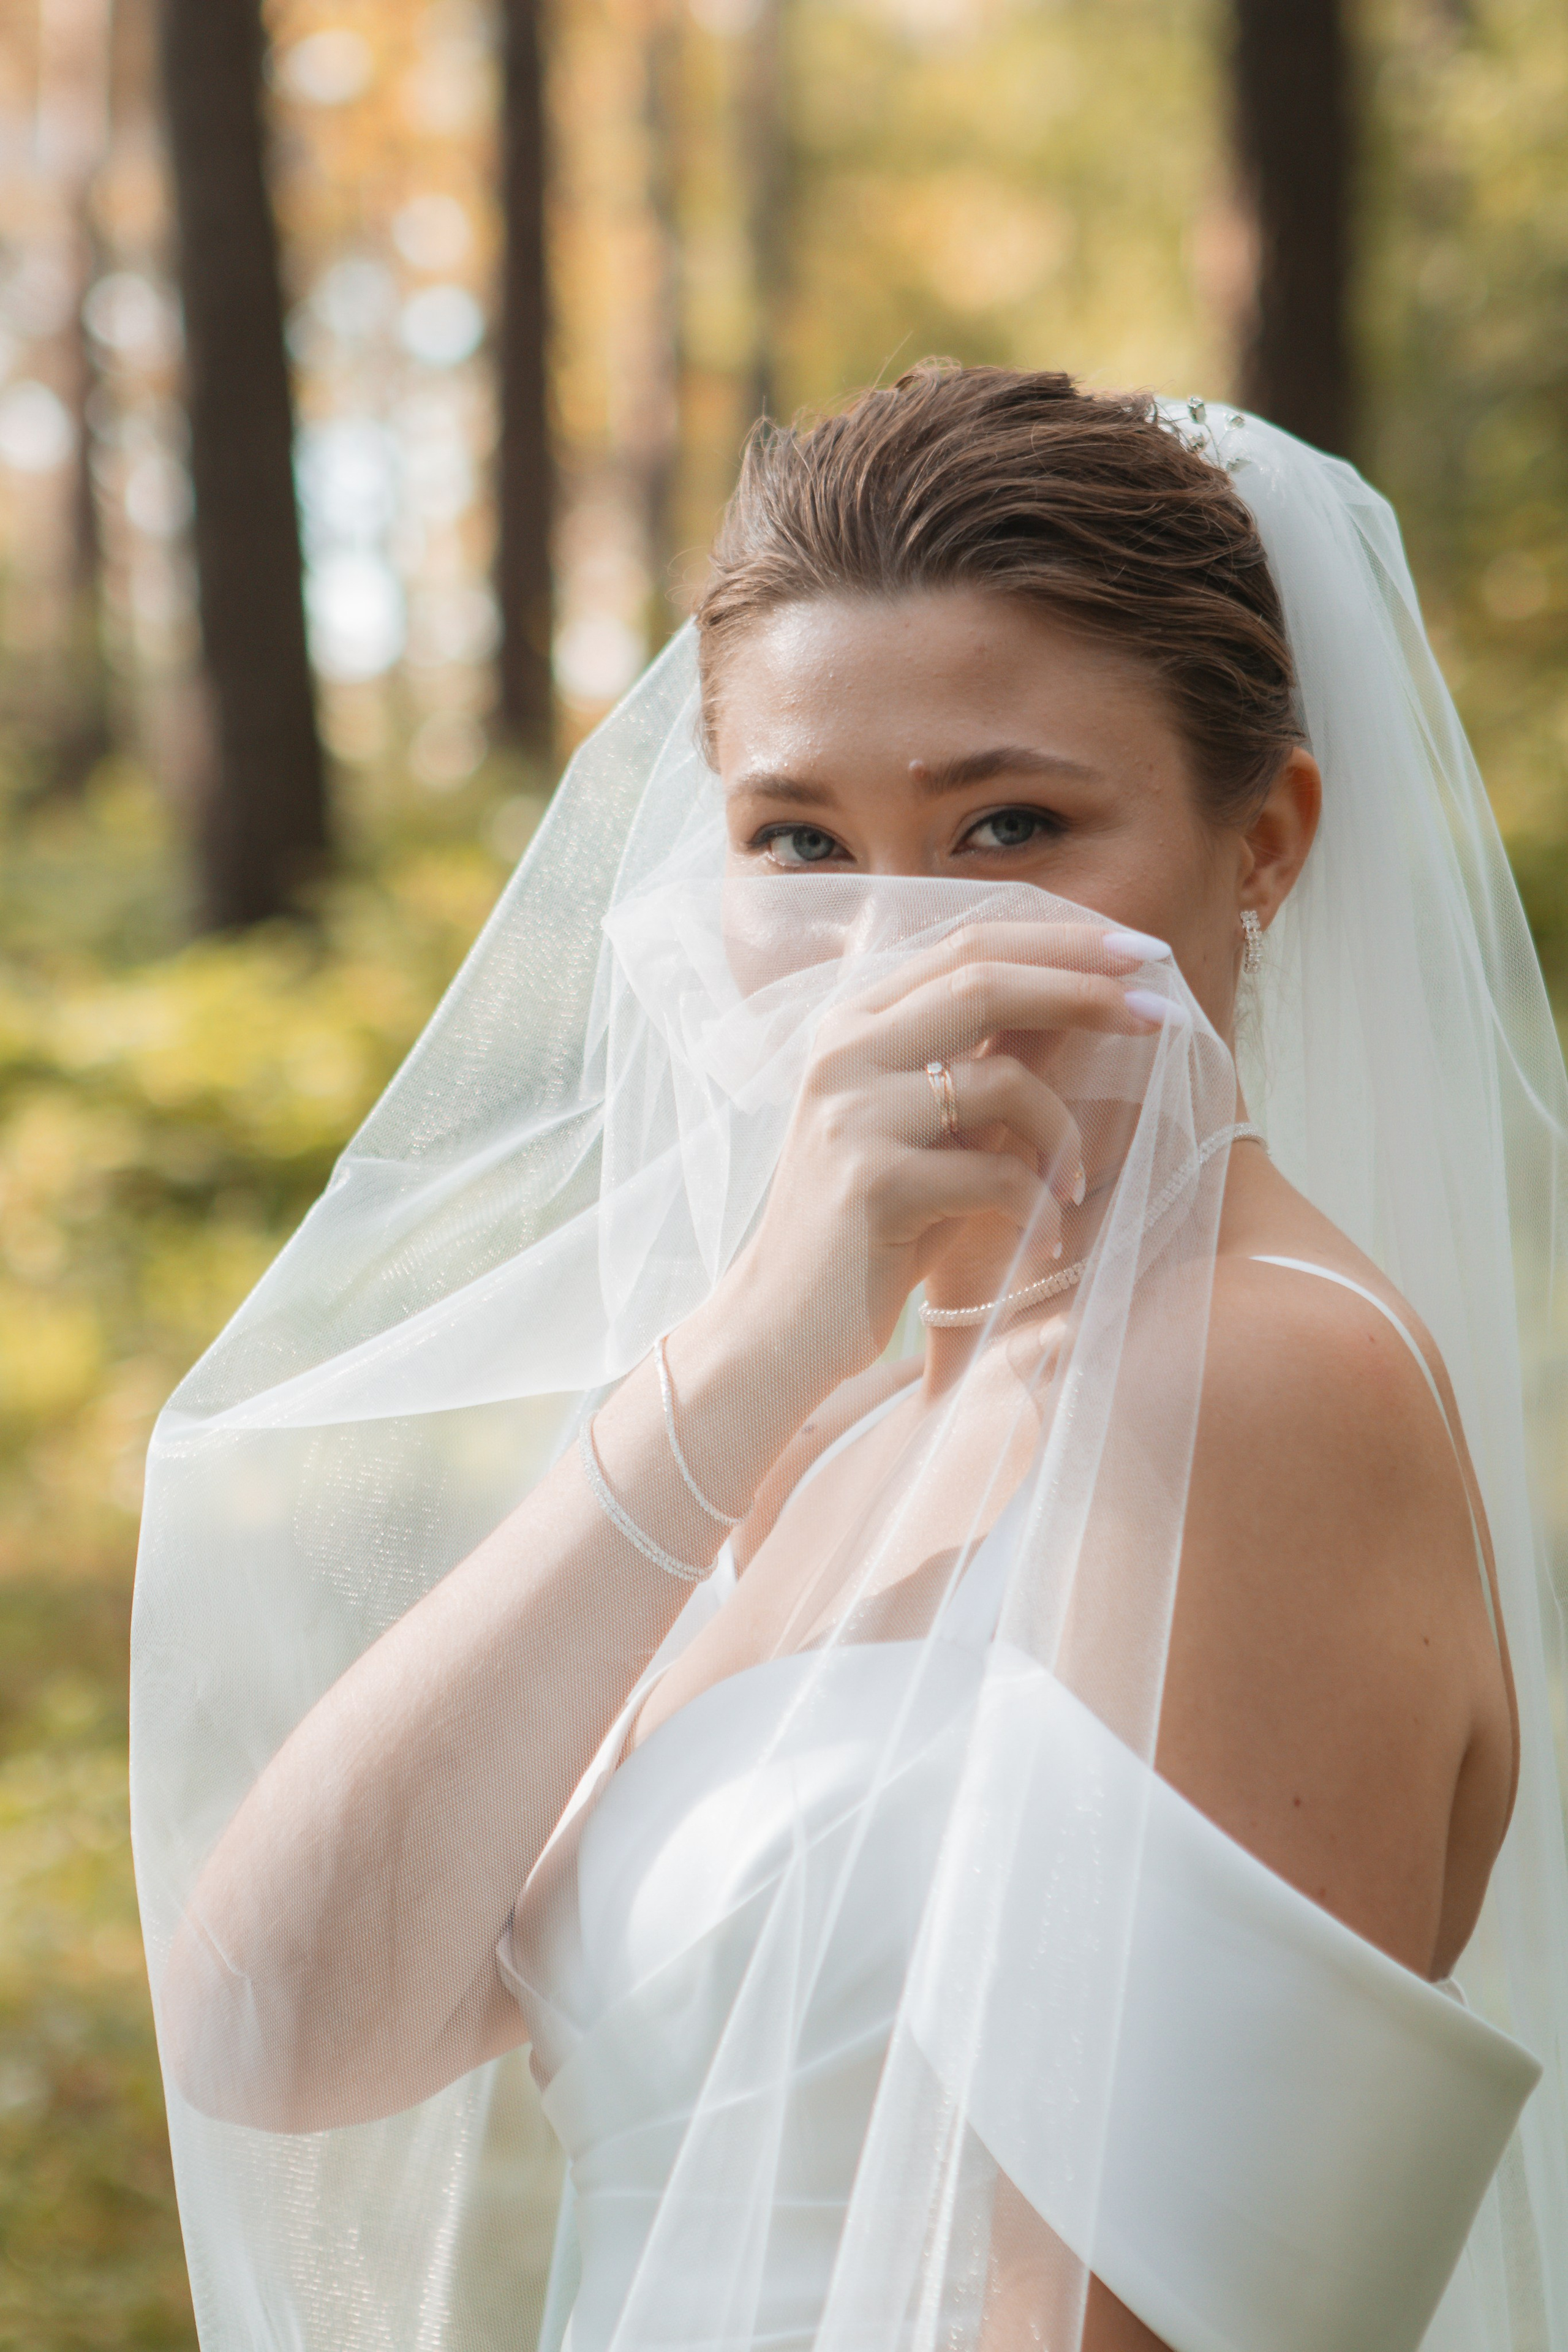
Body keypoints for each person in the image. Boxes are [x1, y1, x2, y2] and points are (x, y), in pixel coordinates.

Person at [132, 369, 1568, 2352]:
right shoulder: (816, 1426)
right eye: (799, 843)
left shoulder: (1256, 1388)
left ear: (1267, 843)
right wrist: (747, 1355)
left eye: (1011, 825)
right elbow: (275, 2025)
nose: (901, 945)